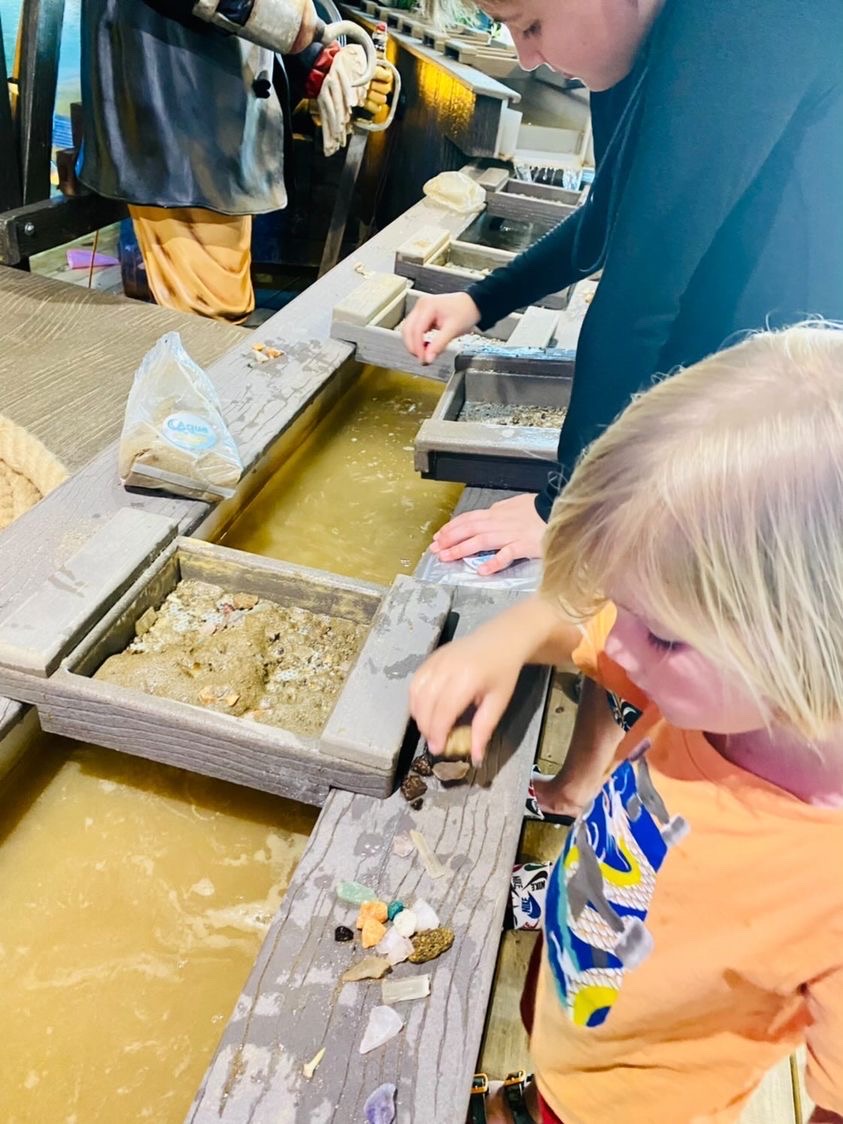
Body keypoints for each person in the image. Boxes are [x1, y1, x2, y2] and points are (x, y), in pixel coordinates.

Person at [410, 323, 843, 1124]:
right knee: (546, 1057)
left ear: (809, 640)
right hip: (582, 979)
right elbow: (578, 628)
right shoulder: (714, 693)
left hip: (630, 1105)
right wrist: (506, 639)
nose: (617, 637)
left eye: (663, 633)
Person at [402, 0, 843, 576]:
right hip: (746, 364)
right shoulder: (637, 44)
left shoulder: (745, 17)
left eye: (530, 24)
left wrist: (566, 508)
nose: (527, 58)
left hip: (797, 394)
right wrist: (481, 299)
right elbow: (611, 221)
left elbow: (642, 285)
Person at [78, 0, 383, 321]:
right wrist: (282, 20)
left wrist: (320, 59)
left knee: (215, 312)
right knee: (210, 315)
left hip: (217, 108)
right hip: (176, 111)